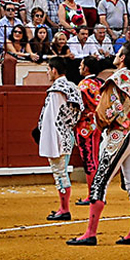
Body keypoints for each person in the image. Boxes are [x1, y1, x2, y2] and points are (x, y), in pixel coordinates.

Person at [67, 43, 130, 246]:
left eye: (119, 53)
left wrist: (101, 124)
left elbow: (106, 111)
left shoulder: (116, 79)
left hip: (118, 135)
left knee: (99, 182)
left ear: (122, 58)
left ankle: (90, 233)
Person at [36, 56, 83, 222]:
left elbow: (52, 119)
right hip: (68, 134)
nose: (47, 73)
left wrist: (48, 139)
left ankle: (64, 209)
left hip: (57, 136)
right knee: (62, 173)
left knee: (60, 174)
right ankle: (63, 208)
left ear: (54, 70)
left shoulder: (56, 91)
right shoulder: (72, 87)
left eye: (48, 69)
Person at [75, 56, 104, 205]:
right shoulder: (100, 83)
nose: (79, 68)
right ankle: (97, 193)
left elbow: (78, 107)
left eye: (81, 65)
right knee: (94, 158)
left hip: (86, 126)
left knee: (89, 160)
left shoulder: (84, 85)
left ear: (86, 68)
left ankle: (93, 195)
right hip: (97, 125)